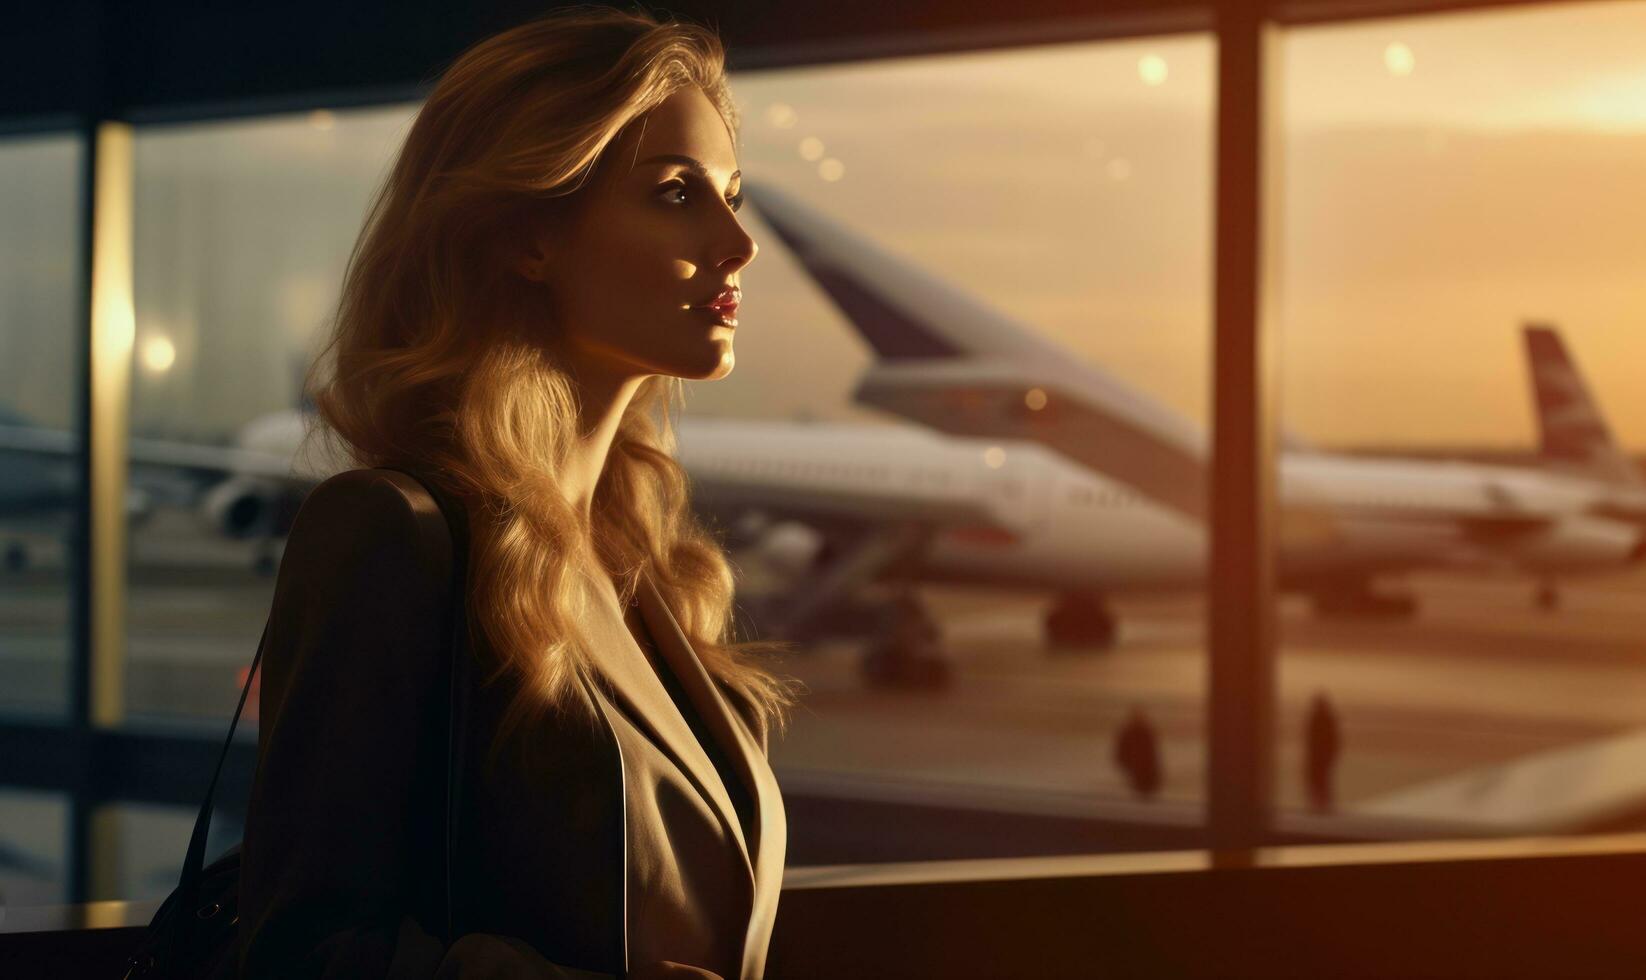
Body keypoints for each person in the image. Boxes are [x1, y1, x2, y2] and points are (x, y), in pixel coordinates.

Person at [236, 8, 801, 979]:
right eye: (677, 193)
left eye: (732, 195)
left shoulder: (637, 557)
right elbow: (299, 945)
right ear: (526, 235)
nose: (737, 245)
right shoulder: (390, 533)